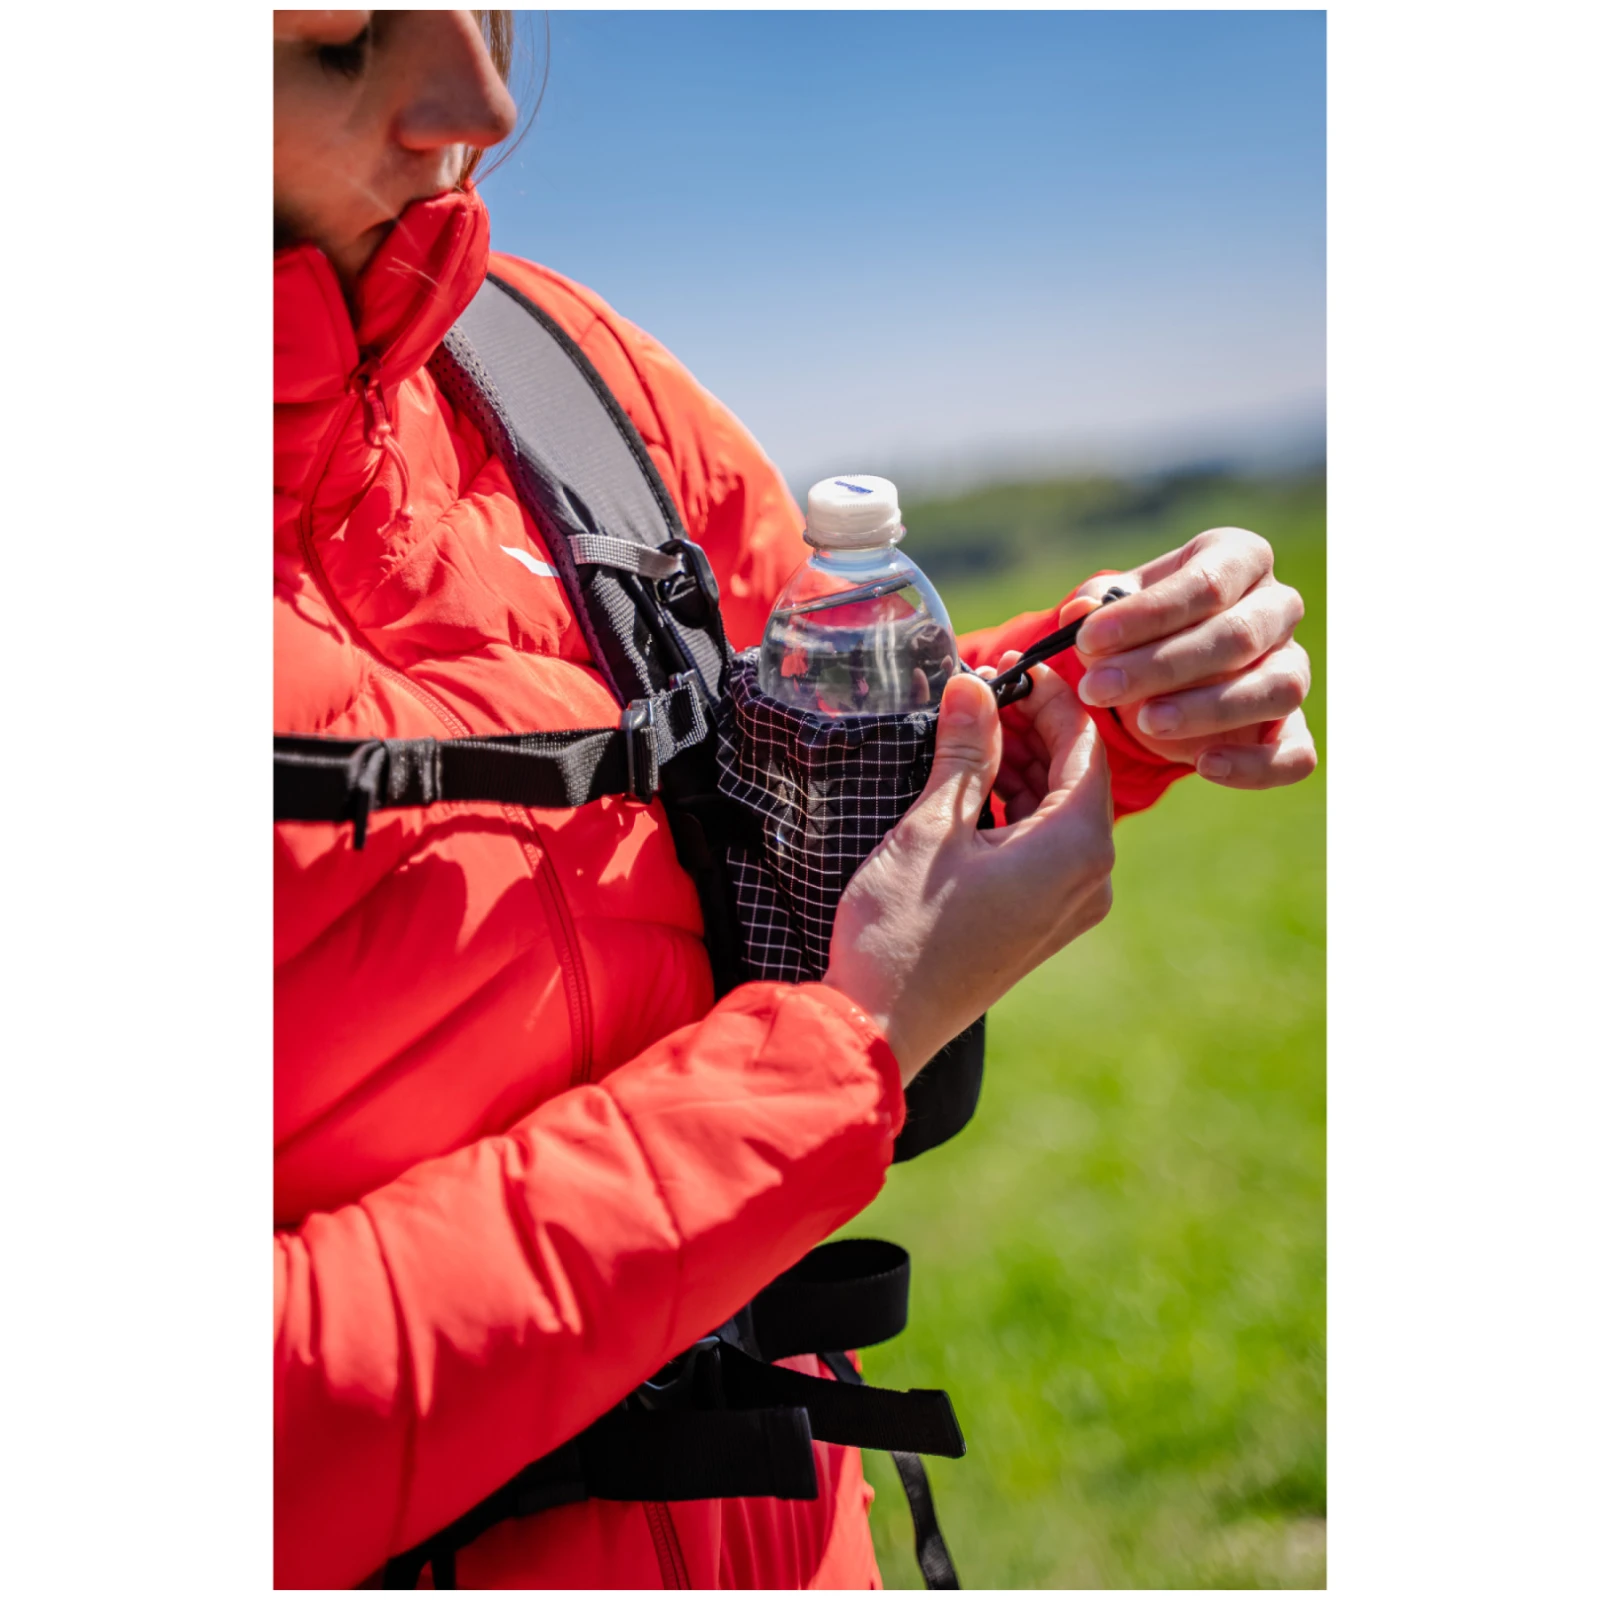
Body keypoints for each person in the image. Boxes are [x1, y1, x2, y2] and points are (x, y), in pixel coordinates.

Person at [273, 11, 1318, 1589]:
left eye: (484, 5)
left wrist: (1098, 690)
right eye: (341, 39)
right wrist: (843, 1053)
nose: (478, 103)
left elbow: (784, 748)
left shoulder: (557, 376)